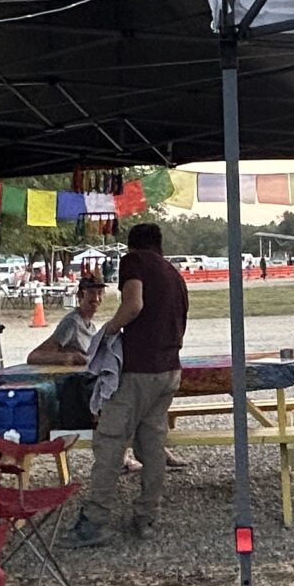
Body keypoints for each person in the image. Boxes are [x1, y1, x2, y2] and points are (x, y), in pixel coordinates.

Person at [69, 221, 188, 545]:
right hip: (169, 371)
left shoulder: (134, 261)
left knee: (109, 442)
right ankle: (146, 518)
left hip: (138, 370)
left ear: (133, 245)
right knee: (151, 446)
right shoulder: (174, 274)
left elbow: (133, 304)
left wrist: (110, 328)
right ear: (159, 244)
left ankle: (95, 522)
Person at [26, 270, 108, 366]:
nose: (96, 298)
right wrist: (69, 358)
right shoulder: (72, 323)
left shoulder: (91, 327)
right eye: (91, 293)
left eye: (99, 293)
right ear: (80, 296)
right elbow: (34, 356)